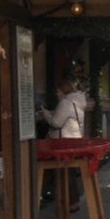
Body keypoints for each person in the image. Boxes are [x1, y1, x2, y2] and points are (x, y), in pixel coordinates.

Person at [39, 79, 88, 211]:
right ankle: (73, 202)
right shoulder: (77, 100)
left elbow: (56, 123)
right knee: (69, 171)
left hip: (63, 142)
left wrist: (44, 113)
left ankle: (65, 201)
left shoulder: (65, 103)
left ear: (62, 90)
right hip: (74, 139)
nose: (56, 93)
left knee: (63, 171)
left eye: (57, 90)